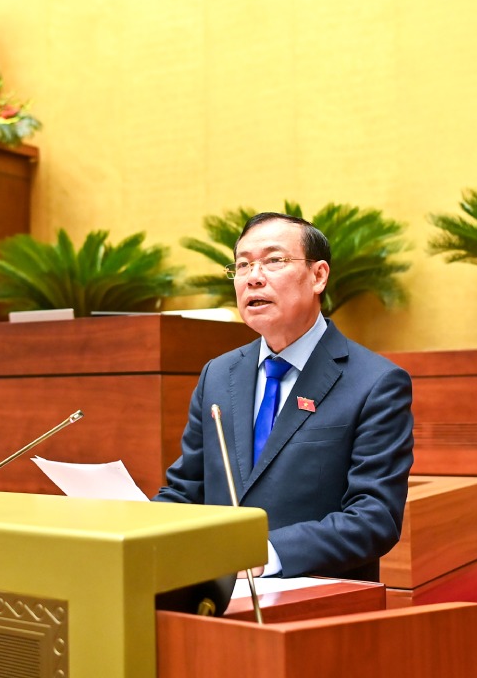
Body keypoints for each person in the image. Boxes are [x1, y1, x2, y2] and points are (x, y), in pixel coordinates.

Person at [154, 212, 414, 582]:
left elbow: (374, 517)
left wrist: (265, 554)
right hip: (213, 597)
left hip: (317, 603)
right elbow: (187, 489)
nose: (253, 276)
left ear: (318, 275)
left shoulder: (375, 382)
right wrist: (136, 533)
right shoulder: (218, 374)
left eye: (274, 260)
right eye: (242, 265)